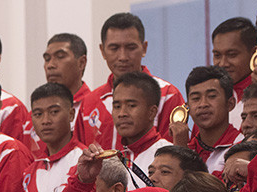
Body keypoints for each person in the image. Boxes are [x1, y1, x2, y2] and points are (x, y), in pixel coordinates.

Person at [76, 12, 186, 145]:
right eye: (114, 48)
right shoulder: (89, 103)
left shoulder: (168, 95)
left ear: (144, 48)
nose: (122, 56)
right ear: (102, 51)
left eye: (131, 47)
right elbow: (79, 155)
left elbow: (175, 156)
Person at [22, 83, 85, 192]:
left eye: (54, 112)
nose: (45, 120)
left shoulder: (85, 163)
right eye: (38, 114)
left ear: (71, 114)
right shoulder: (29, 172)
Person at [171, 66, 243, 173]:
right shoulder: (187, 147)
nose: (203, 104)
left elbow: (205, 189)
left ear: (230, 104)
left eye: (212, 96)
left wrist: (181, 152)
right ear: (187, 107)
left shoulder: (241, 147)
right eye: (196, 98)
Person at [111, 71, 172, 189]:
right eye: (117, 107)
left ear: (152, 112)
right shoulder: (111, 159)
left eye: (132, 105)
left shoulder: (169, 157)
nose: (122, 114)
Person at [212, 18, 257, 130]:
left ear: (253, 53)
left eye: (232, 55)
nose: (223, 63)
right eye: (217, 55)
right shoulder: (208, 98)